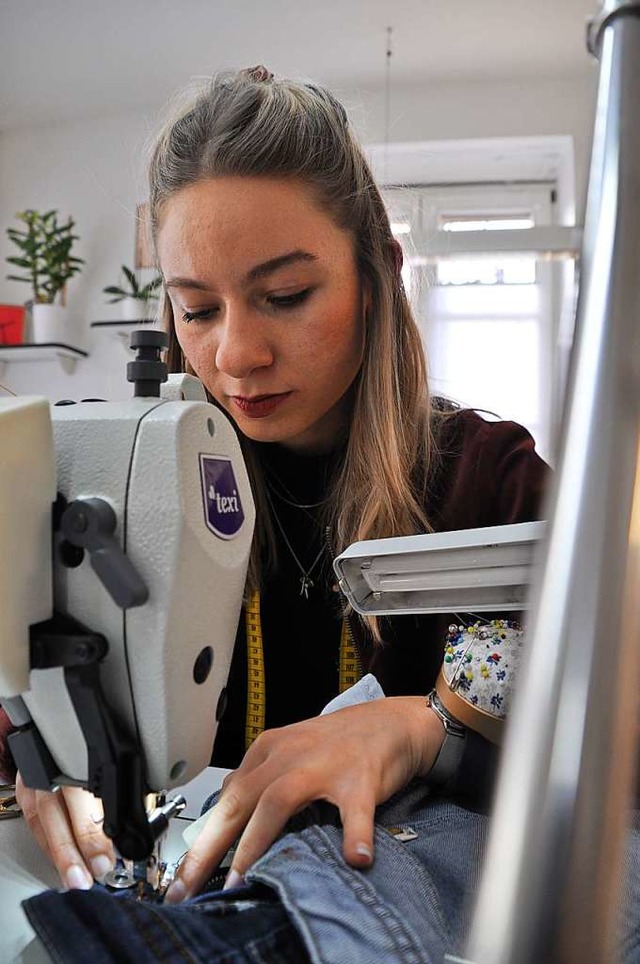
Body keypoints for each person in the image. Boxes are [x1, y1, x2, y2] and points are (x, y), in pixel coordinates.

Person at [6, 65, 557, 958]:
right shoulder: (136, 482)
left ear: (377, 274)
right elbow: (36, 662)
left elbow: (595, 699)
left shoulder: (488, 481)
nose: (236, 353)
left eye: (287, 295)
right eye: (196, 307)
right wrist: (41, 754)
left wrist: (427, 727)